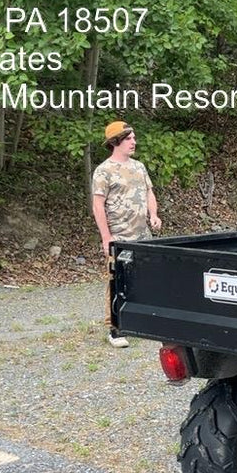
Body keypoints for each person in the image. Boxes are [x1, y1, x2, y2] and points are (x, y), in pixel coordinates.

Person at [91, 121, 161, 347]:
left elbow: (150, 193)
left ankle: (142, 321)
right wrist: (106, 237)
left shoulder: (139, 167)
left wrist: (154, 215)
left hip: (143, 235)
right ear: (116, 142)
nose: (134, 142)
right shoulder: (104, 171)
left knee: (146, 277)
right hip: (119, 236)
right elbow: (97, 206)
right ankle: (115, 329)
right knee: (117, 281)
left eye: (134, 138)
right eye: (129, 138)